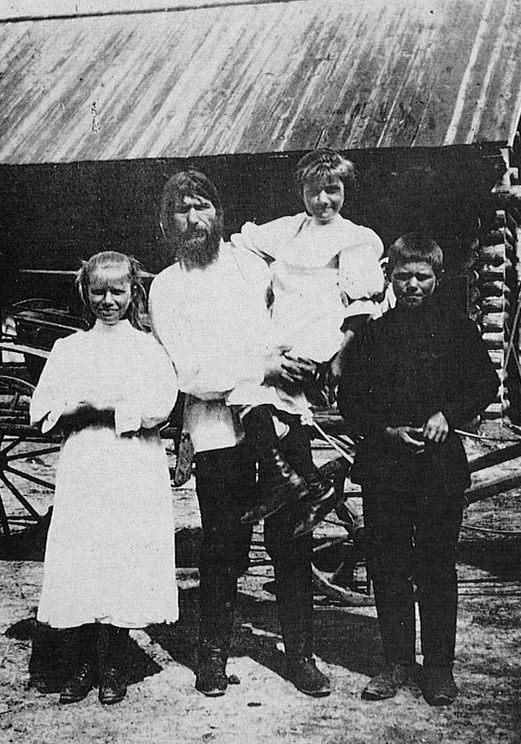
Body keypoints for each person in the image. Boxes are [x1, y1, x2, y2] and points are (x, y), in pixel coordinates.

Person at [149, 169, 331, 698]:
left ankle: (300, 656)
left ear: (218, 212)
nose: (194, 218)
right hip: (217, 433)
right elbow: (190, 372)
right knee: (224, 544)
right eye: (181, 209)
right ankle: (213, 655)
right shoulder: (167, 286)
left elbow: (293, 312)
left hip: (282, 416)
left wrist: (294, 359)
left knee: (293, 541)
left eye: (201, 205)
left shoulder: (252, 264)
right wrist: (261, 367)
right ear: (168, 222)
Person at [337, 233, 499, 706]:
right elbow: (350, 400)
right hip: (385, 469)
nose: (412, 284)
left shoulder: (457, 329)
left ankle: (439, 669)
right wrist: (384, 430)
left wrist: (448, 414)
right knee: (387, 565)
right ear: (390, 277)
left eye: (422, 276)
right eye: (404, 276)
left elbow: (484, 383)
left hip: (438, 472)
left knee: (435, 566)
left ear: (437, 278)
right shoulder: (373, 335)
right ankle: (395, 663)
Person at [30, 251, 179, 705]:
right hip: (86, 466)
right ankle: (80, 664)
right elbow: (43, 409)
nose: (108, 301)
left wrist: (110, 409)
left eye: (118, 291)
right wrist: (73, 411)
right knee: (83, 554)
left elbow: (160, 405)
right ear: (85, 292)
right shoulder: (69, 349)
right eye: (99, 291)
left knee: (122, 553)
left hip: (131, 465)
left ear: (134, 293)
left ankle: (114, 661)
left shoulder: (148, 348)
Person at [230, 148, 385, 529]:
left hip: (319, 338)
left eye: (331, 190)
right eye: (313, 192)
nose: (322, 201)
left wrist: (340, 357)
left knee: (253, 391)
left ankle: (294, 480)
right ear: (302, 191)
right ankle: (307, 482)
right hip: (282, 334)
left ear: (344, 188)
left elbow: (361, 306)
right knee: (256, 394)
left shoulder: (354, 239)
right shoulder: (290, 228)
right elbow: (244, 244)